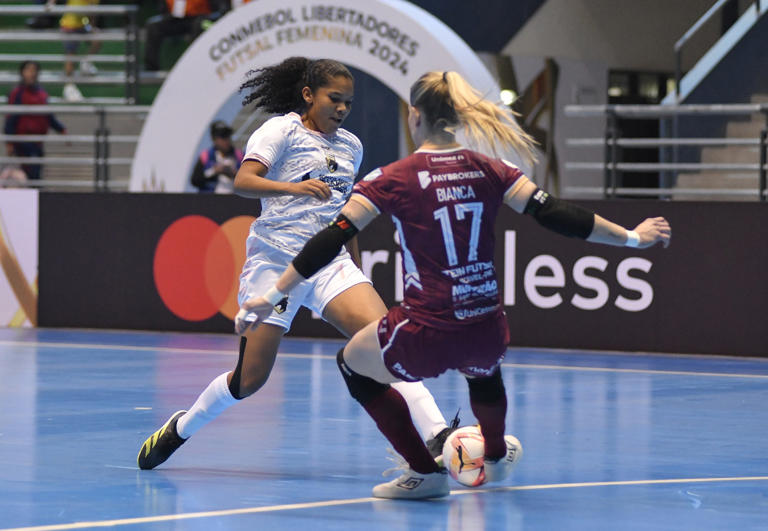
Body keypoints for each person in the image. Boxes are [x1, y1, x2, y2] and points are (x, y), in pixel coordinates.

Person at [237, 70, 672, 499]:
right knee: (484, 367)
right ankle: (497, 456)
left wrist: (272, 294)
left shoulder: (393, 178)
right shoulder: (492, 169)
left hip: (426, 327)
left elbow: (330, 239)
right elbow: (556, 214)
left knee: (354, 366)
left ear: (415, 115)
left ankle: (423, 472)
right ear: (459, 117)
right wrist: (633, 238)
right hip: (486, 326)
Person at [137, 57, 455, 470]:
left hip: (328, 262)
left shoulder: (351, 146)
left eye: (348, 103)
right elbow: (243, 181)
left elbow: (345, 216)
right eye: (333, 99)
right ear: (309, 95)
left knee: (387, 339)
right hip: (274, 263)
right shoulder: (280, 130)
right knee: (248, 380)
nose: (341, 109)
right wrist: (297, 188)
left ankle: (436, 433)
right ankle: (182, 428)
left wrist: (353, 265)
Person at [4, 61, 67, 181]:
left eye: (34, 70)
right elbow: (11, 119)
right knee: (29, 171)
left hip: (37, 142)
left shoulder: (41, 93)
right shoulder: (18, 93)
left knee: (36, 171)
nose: (32, 73)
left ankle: (36, 192)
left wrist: (61, 129)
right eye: (28, 70)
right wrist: (10, 142)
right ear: (22, 73)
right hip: (22, 141)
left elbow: (49, 116)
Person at [143, 0, 227, 71]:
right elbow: (163, 7)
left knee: (199, 25)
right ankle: (151, 69)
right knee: (153, 27)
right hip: (175, 19)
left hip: (200, 18)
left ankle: (195, 67)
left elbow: (219, 8)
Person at [46, 0, 102, 102]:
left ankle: (86, 63)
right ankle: (69, 87)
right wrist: (51, 3)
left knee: (97, 40)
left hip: (83, 25)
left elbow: (92, 13)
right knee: (71, 55)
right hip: (69, 25)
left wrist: (92, 27)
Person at [191, 120, 243, 193]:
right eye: (222, 136)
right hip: (211, 200)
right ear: (214, 139)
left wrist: (234, 173)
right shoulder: (206, 156)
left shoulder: (239, 156)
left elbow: (250, 180)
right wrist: (214, 171)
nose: (226, 140)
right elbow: (195, 180)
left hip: (235, 199)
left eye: (227, 135)